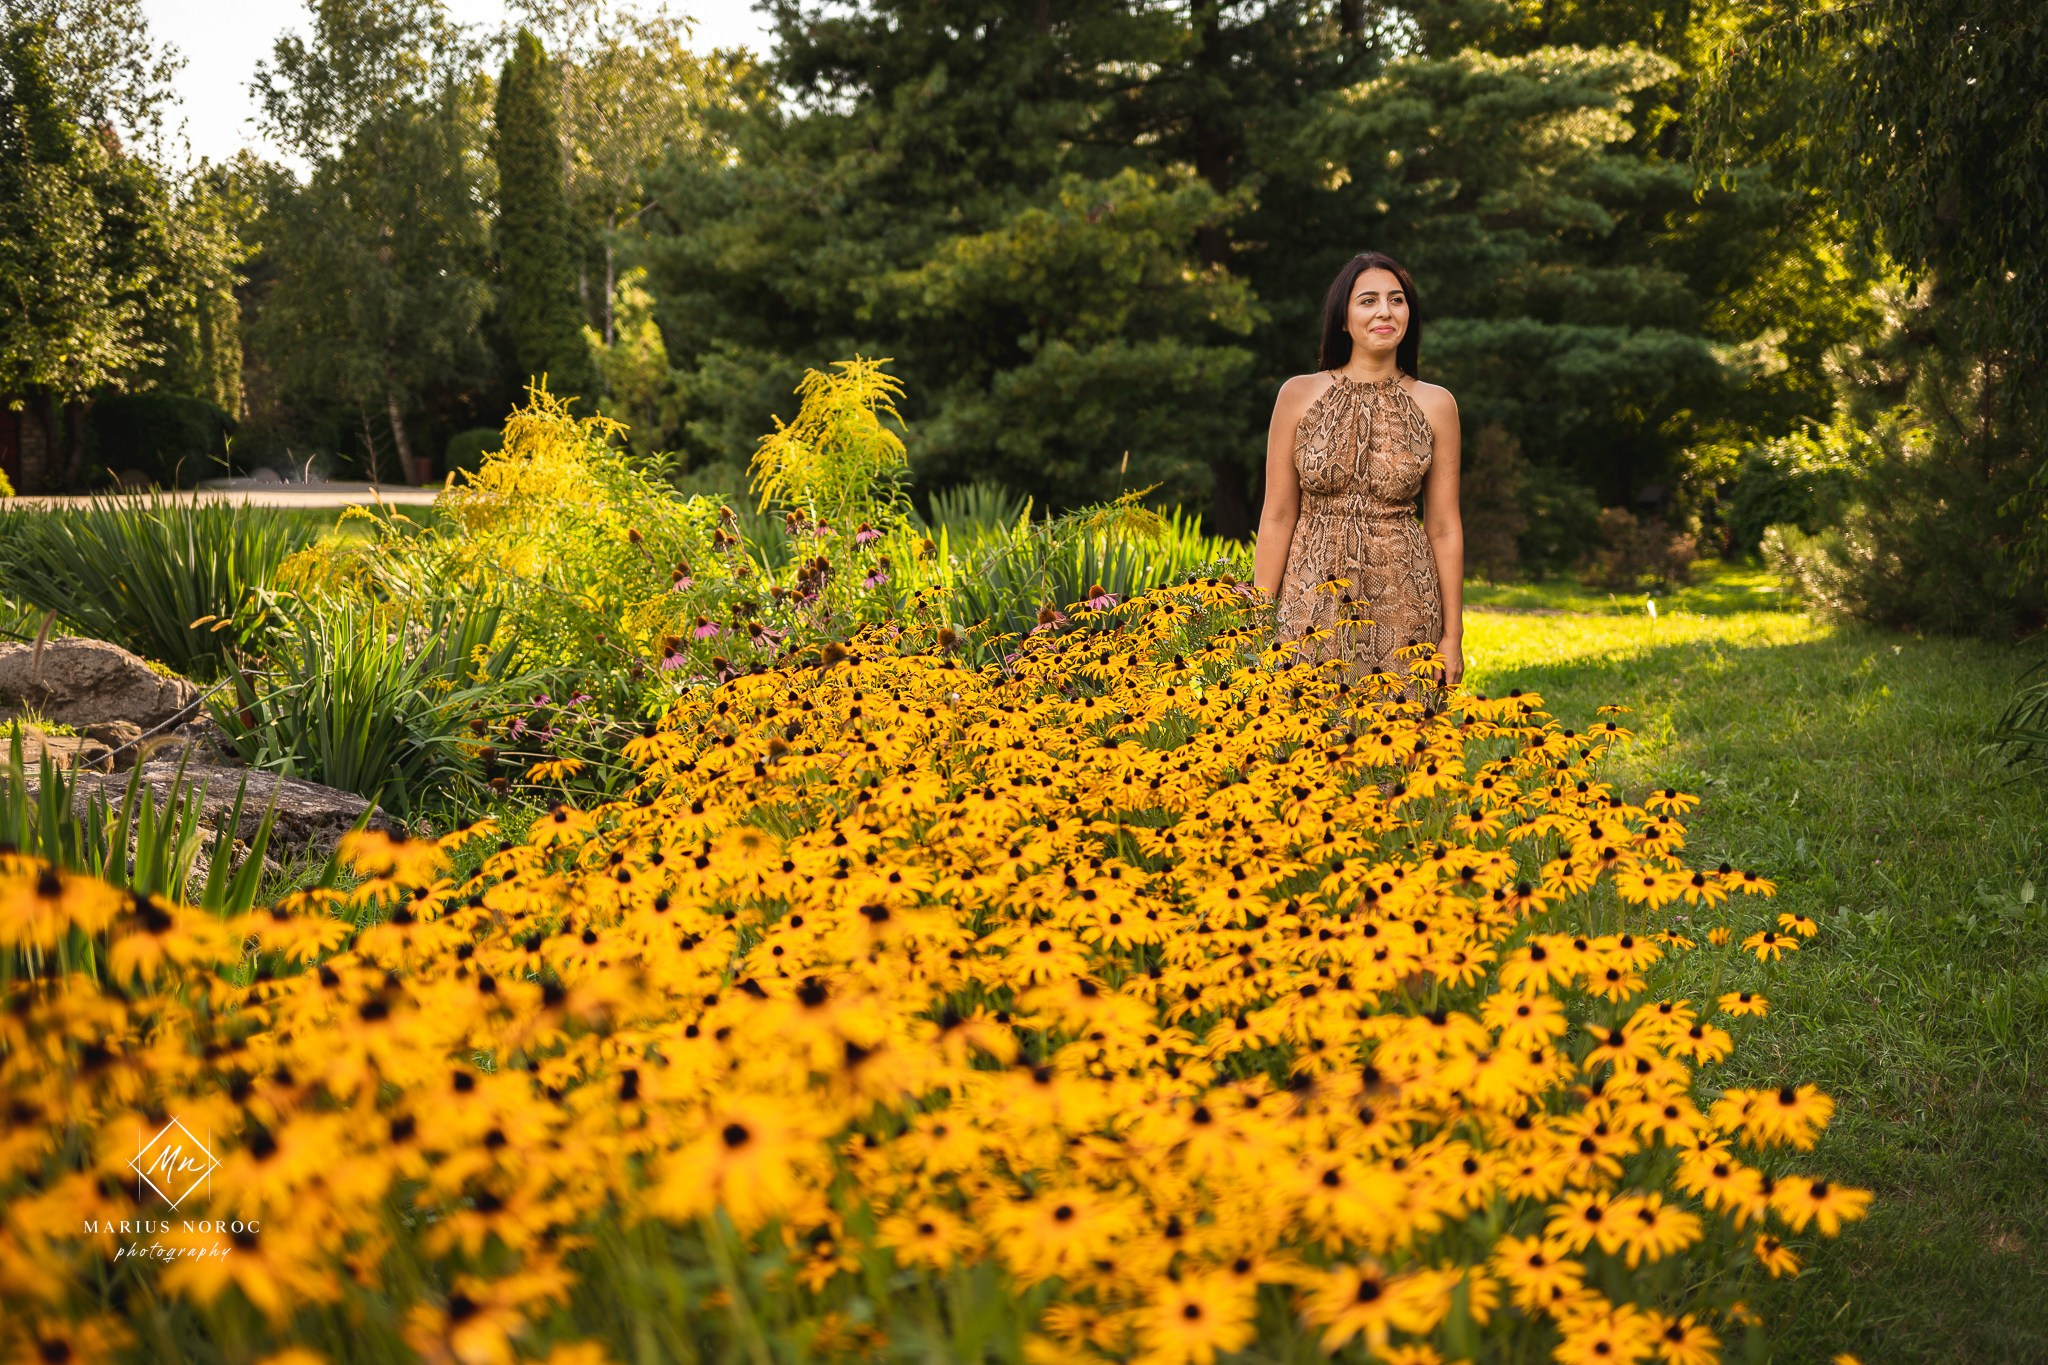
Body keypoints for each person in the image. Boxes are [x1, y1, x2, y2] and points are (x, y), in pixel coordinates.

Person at [1250, 251, 1464, 696]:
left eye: (1396, 300)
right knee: (1300, 741)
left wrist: (1453, 635)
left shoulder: (1437, 404)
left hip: (1405, 605)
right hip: (1309, 601)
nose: (1385, 311)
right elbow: (1277, 515)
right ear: (1343, 319)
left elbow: (1444, 527)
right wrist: (1255, 621)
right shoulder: (1298, 394)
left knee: (1402, 746)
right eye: (1368, 300)